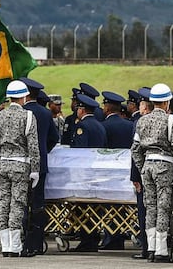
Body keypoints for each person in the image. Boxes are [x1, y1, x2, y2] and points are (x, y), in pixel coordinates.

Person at [131, 83, 173, 263]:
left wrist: (141, 167)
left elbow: (135, 149)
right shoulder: (171, 120)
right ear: (168, 102)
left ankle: (151, 248)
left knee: (150, 207)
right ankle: (162, 250)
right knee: (163, 207)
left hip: (147, 165)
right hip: (164, 165)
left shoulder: (142, 120)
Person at [0, 80, 40, 257]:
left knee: (3, 203)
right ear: (24, 97)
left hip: (2, 164)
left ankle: (5, 246)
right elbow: (33, 145)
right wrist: (35, 169)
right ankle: (15, 246)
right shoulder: (28, 116)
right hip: (21, 164)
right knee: (17, 204)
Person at [19, 77, 59, 255]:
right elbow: (54, 138)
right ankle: (37, 240)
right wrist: (44, 152)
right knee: (37, 204)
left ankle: (23, 241)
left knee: (21, 203)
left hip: (22, 162)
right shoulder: (45, 113)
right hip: (40, 165)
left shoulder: (21, 111)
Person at [70, 93, 107, 252]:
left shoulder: (82, 126)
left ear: (82, 110)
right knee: (94, 206)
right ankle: (92, 237)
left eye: (78, 107)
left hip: (84, 173)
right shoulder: (99, 125)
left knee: (83, 207)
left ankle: (87, 241)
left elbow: (80, 151)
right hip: (97, 171)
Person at [99, 91, 134, 250]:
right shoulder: (130, 125)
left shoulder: (103, 126)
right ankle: (120, 235)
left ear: (106, 108)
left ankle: (111, 238)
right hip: (126, 170)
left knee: (109, 207)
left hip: (108, 172)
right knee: (123, 206)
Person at [130, 87, 152, 260]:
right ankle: (158, 246)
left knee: (144, 211)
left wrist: (136, 177)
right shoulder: (167, 120)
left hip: (145, 173)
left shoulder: (140, 123)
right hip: (162, 173)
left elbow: (135, 152)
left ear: (144, 107)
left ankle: (147, 247)